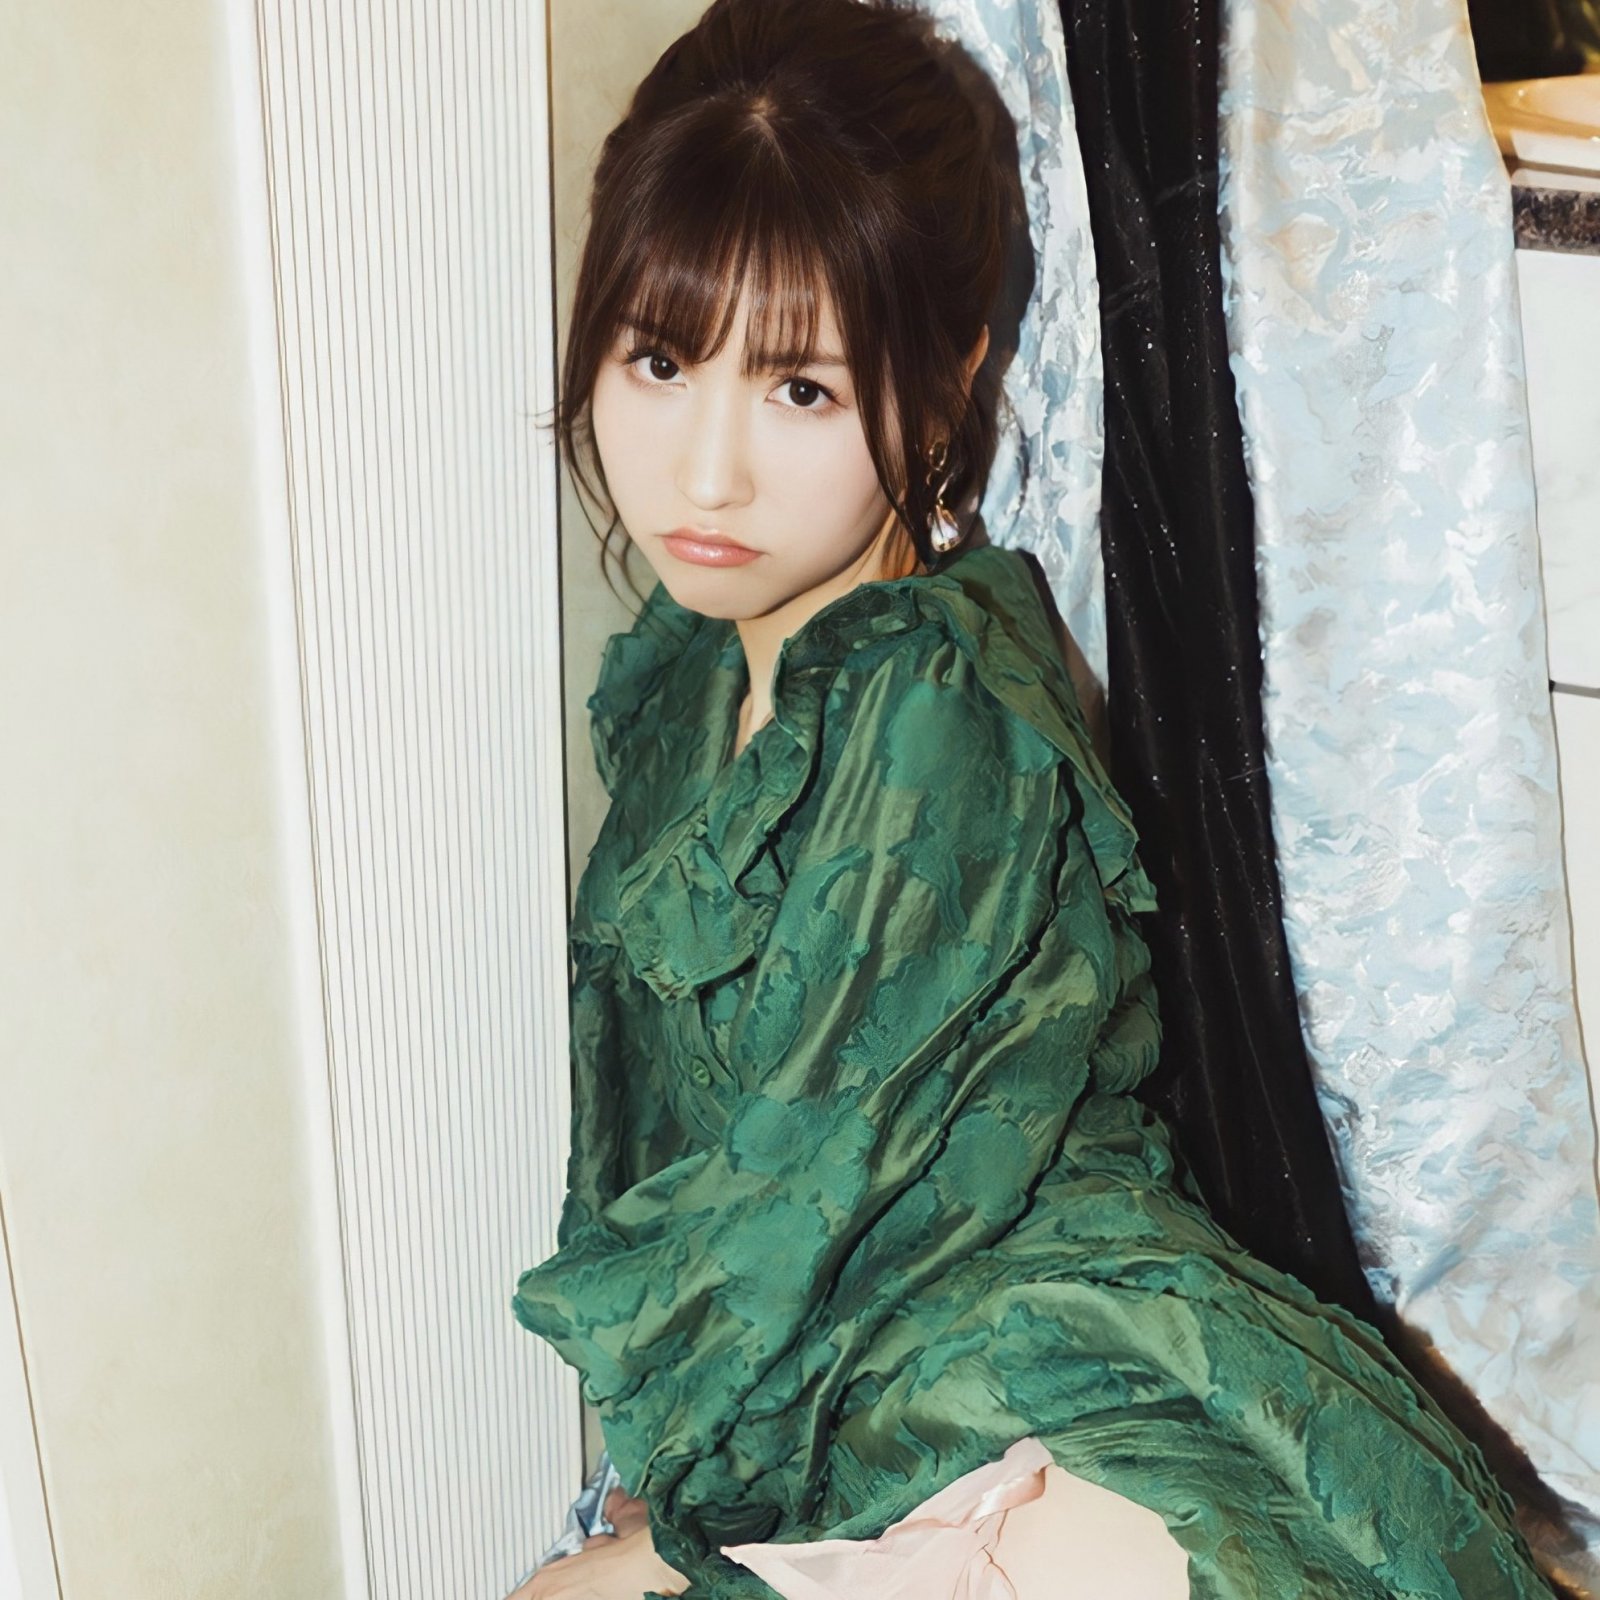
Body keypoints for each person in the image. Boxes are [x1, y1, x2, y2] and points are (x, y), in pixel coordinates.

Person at [508, 1, 1566, 1595]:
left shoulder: (932, 705)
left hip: (1015, 1364)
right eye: (661, 361)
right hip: (868, 1379)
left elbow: (813, 1202)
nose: (705, 473)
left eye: (801, 391)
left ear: (947, 385)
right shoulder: (683, 677)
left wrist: (667, 1537)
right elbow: (663, 1140)